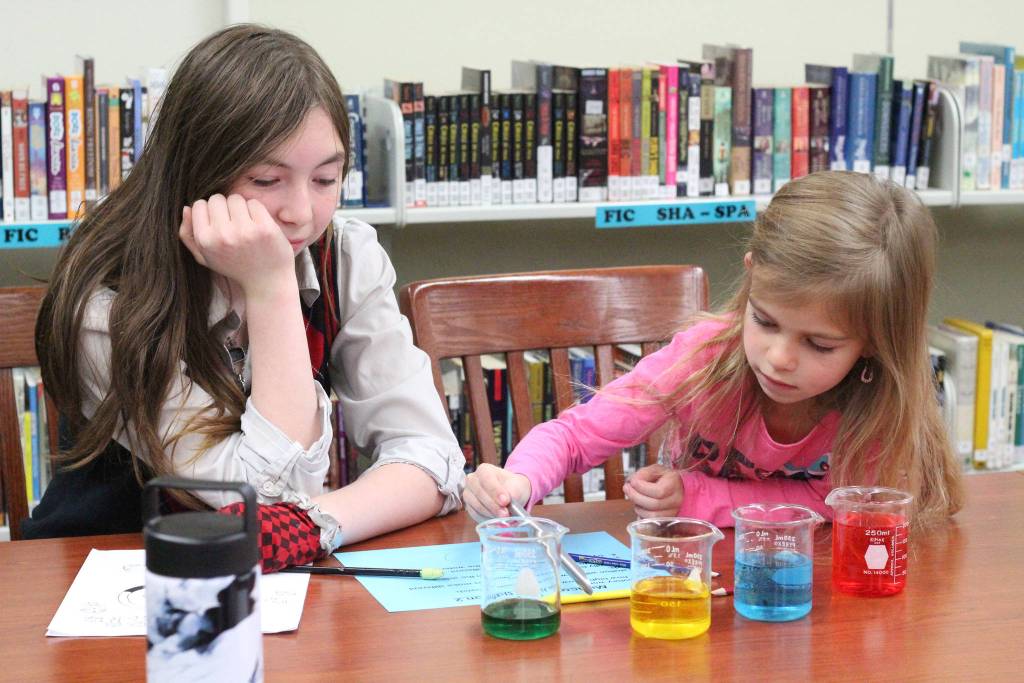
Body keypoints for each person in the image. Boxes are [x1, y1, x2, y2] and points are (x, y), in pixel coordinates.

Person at [27, 24, 465, 570]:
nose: (301, 213)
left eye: (326, 180)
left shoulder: (345, 255)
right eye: (265, 180)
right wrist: (272, 285)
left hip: (278, 580)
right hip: (112, 584)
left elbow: (434, 457)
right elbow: (267, 492)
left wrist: (314, 526)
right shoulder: (107, 304)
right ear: (196, 171)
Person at [464, 171, 964, 527]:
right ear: (751, 277)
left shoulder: (879, 407)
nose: (779, 358)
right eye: (764, 320)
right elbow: (575, 437)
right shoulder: (703, 358)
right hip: (689, 579)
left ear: (876, 341)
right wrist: (518, 483)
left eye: (820, 344)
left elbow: (840, 504)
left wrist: (697, 494)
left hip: (808, 589)